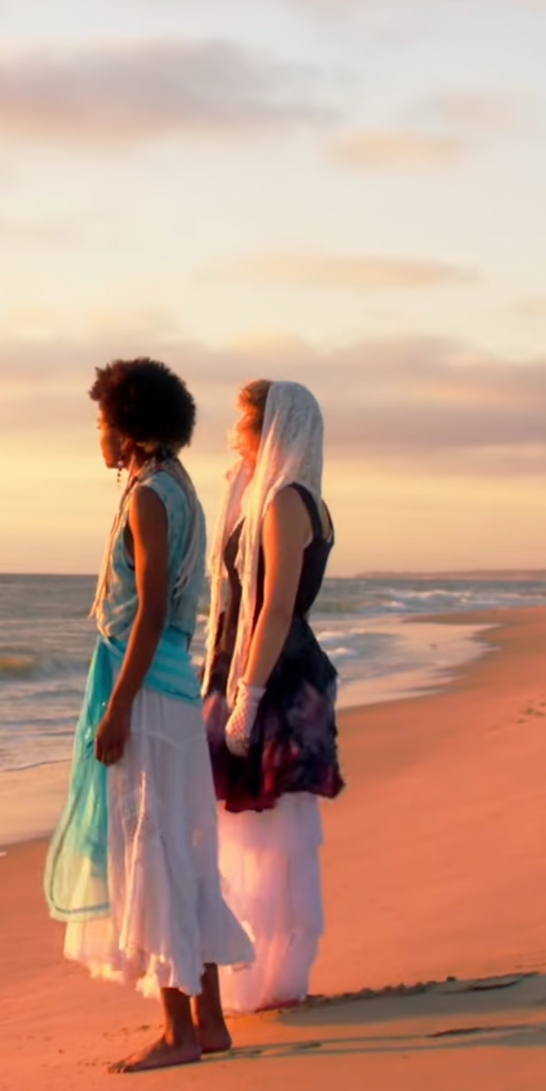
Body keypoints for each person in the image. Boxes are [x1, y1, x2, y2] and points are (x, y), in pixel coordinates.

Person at [44, 356, 253, 1072]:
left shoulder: (148, 497)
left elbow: (153, 610)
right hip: (170, 686)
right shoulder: (175, 487)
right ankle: (211, 1023)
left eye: (103, 422)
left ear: (129, 427)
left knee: (150, 846)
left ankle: (177, 1033)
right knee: (181, 851)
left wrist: (118, 708)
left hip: (150, 693)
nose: (98, 436)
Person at [202, 379, 341, 1010]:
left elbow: (276, 605)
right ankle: (252, 975)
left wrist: (248, 697)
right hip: (252, 668)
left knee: (266, 833)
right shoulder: (263, 494)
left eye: (243, 423)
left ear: (273, 429)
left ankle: (266, 978)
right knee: (247, 833)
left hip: (274, 676)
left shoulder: (286, 500)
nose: (233, 434)